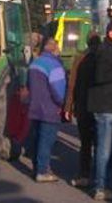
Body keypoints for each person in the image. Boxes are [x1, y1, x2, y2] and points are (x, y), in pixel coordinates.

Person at [87, 20, 112, 201]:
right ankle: (100, 187)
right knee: (104, 149)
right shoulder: (105, 51)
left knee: (105, 148)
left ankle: (99, 182)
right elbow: (100, 76)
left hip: (109, 105)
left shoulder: (111, 51)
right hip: (105, 106)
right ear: (111, 33)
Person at [27, 37, 67, 182]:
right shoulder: (55, 66)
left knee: (37, 139)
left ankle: (37, 167)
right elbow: (58, 90)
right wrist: (62, 104)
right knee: (46, 141)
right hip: (49, 109)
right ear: (55, 49)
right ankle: (42, 171)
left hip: (35, 107)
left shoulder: (34, 63)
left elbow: (29, 85)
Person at [64, 35, 100, 188]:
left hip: (83, 107)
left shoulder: (79, 59)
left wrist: (68, 107)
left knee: (85, 143)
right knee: (100, 144)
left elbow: (72, 84)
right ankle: (99, 175)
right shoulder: (102, 59)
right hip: (99, 107)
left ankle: (84, 173)